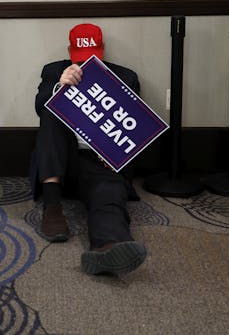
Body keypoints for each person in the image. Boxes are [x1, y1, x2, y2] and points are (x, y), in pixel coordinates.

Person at [31, 23, 147, 275]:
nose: (85, 64)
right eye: (80, 57)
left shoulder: (125, 77)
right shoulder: (54, 71)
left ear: (102, 50)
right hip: (61, 163)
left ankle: (108, 248)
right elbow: (40, 107)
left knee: (108, 194)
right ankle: (52, 208)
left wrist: (115, 155)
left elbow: (133, 129)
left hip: (99, 162)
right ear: (69, 51)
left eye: (92, 57)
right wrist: (59, 88)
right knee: (51, 113)